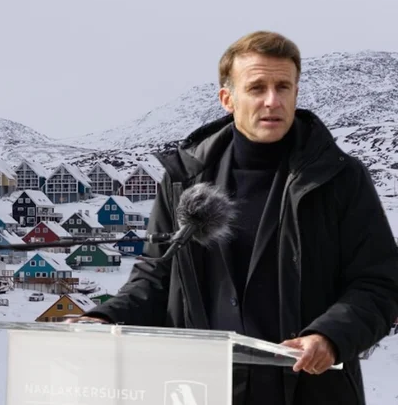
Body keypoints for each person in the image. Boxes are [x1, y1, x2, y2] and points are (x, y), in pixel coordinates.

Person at [71, 31, 398, 405]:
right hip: (199, 390)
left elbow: (379, 283)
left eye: (283, 87)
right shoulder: (184, 178)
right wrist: (105, 319)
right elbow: (157, 276)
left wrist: (329, 336)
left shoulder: (339, 178)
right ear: (228, 98)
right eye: (257, 87)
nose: (272, 101)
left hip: (310, 389)